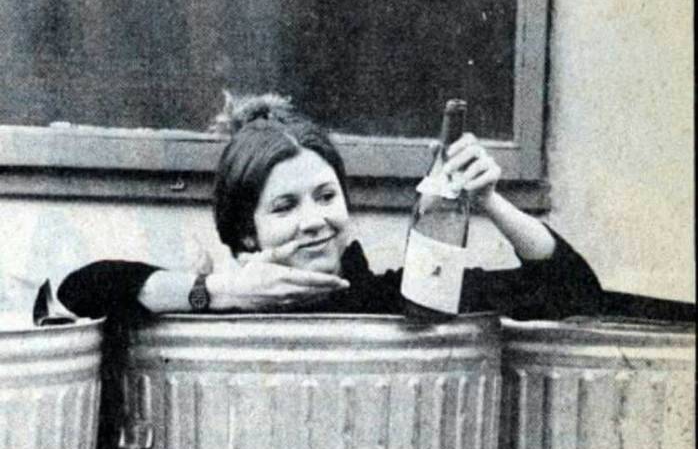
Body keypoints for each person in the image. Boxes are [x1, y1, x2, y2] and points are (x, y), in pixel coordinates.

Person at [58, 94, 602, 320]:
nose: (315, 219)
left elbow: (574, 292)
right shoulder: (217, 303)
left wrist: (490, 202)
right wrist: (219, 293)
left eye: (325, 196)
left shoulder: (396, 297)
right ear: (245, 233)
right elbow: (79, 288)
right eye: (285, 206)